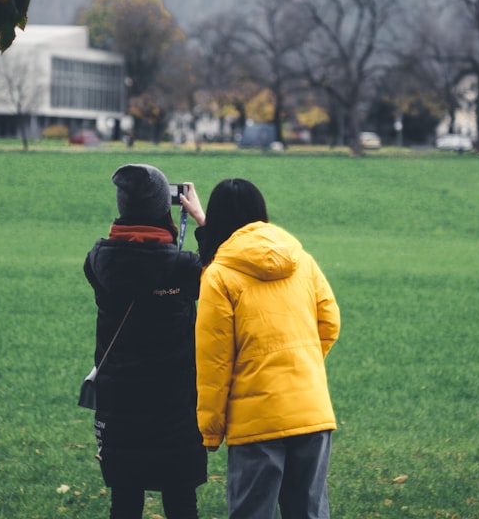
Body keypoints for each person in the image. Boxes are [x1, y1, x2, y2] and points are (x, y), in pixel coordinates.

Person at [179, 178, 341, 519]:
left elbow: (214, 361)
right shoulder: (301, 259)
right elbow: (329, 323)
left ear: (219, 219)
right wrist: (298, 366)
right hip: (311, 410)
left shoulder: (219, 276)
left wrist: (210, 430)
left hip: (255, 421)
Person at [83, 164, 207, 519]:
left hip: (119, 398)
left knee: (124, 501)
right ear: (160, 209)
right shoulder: (184, 267)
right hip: (174, 401)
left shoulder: (98, 260)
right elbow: (221, 273)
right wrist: (201, 222)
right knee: (181, 500)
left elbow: (133, 261)